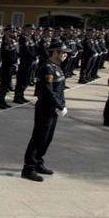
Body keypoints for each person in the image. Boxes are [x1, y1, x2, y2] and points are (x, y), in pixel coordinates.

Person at [21, 40, 70, 182]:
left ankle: (38, 162)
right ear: (55, 52)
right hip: (45, 107)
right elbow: (47, 91)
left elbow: (59, 90)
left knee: (47, 137)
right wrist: (59, 106)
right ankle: (28, 167)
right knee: (39, 137)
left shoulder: (57, 67)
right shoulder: (47, 68)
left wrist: (62, 104)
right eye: (63, 52)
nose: (66, 55)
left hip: (53, 107)